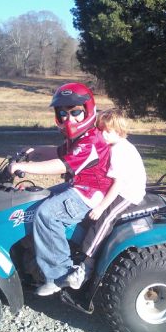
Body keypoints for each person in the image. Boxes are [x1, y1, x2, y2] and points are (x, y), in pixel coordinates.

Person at [9, 82, 113, 296]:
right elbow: (58, 153)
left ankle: (59, 275)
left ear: (88, 110)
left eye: (75, 112)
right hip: (78, 187)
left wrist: (25, 167)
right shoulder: (78, 138)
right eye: (63, 113)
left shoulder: (90, 141)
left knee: (46, 214)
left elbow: (62, 165)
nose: (69, 119)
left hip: (89, 194)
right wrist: (33, 151)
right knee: (35, 198)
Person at [63, 108, 147, 289]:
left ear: (119, 132)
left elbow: (118, 185)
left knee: (105, 218)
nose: (102, 134)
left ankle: (87, 266)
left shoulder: (120, 151)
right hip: (117, 187)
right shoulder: (112, 146)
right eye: (100, 130)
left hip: (128, 192)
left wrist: (101, 207)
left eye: (107, 131)